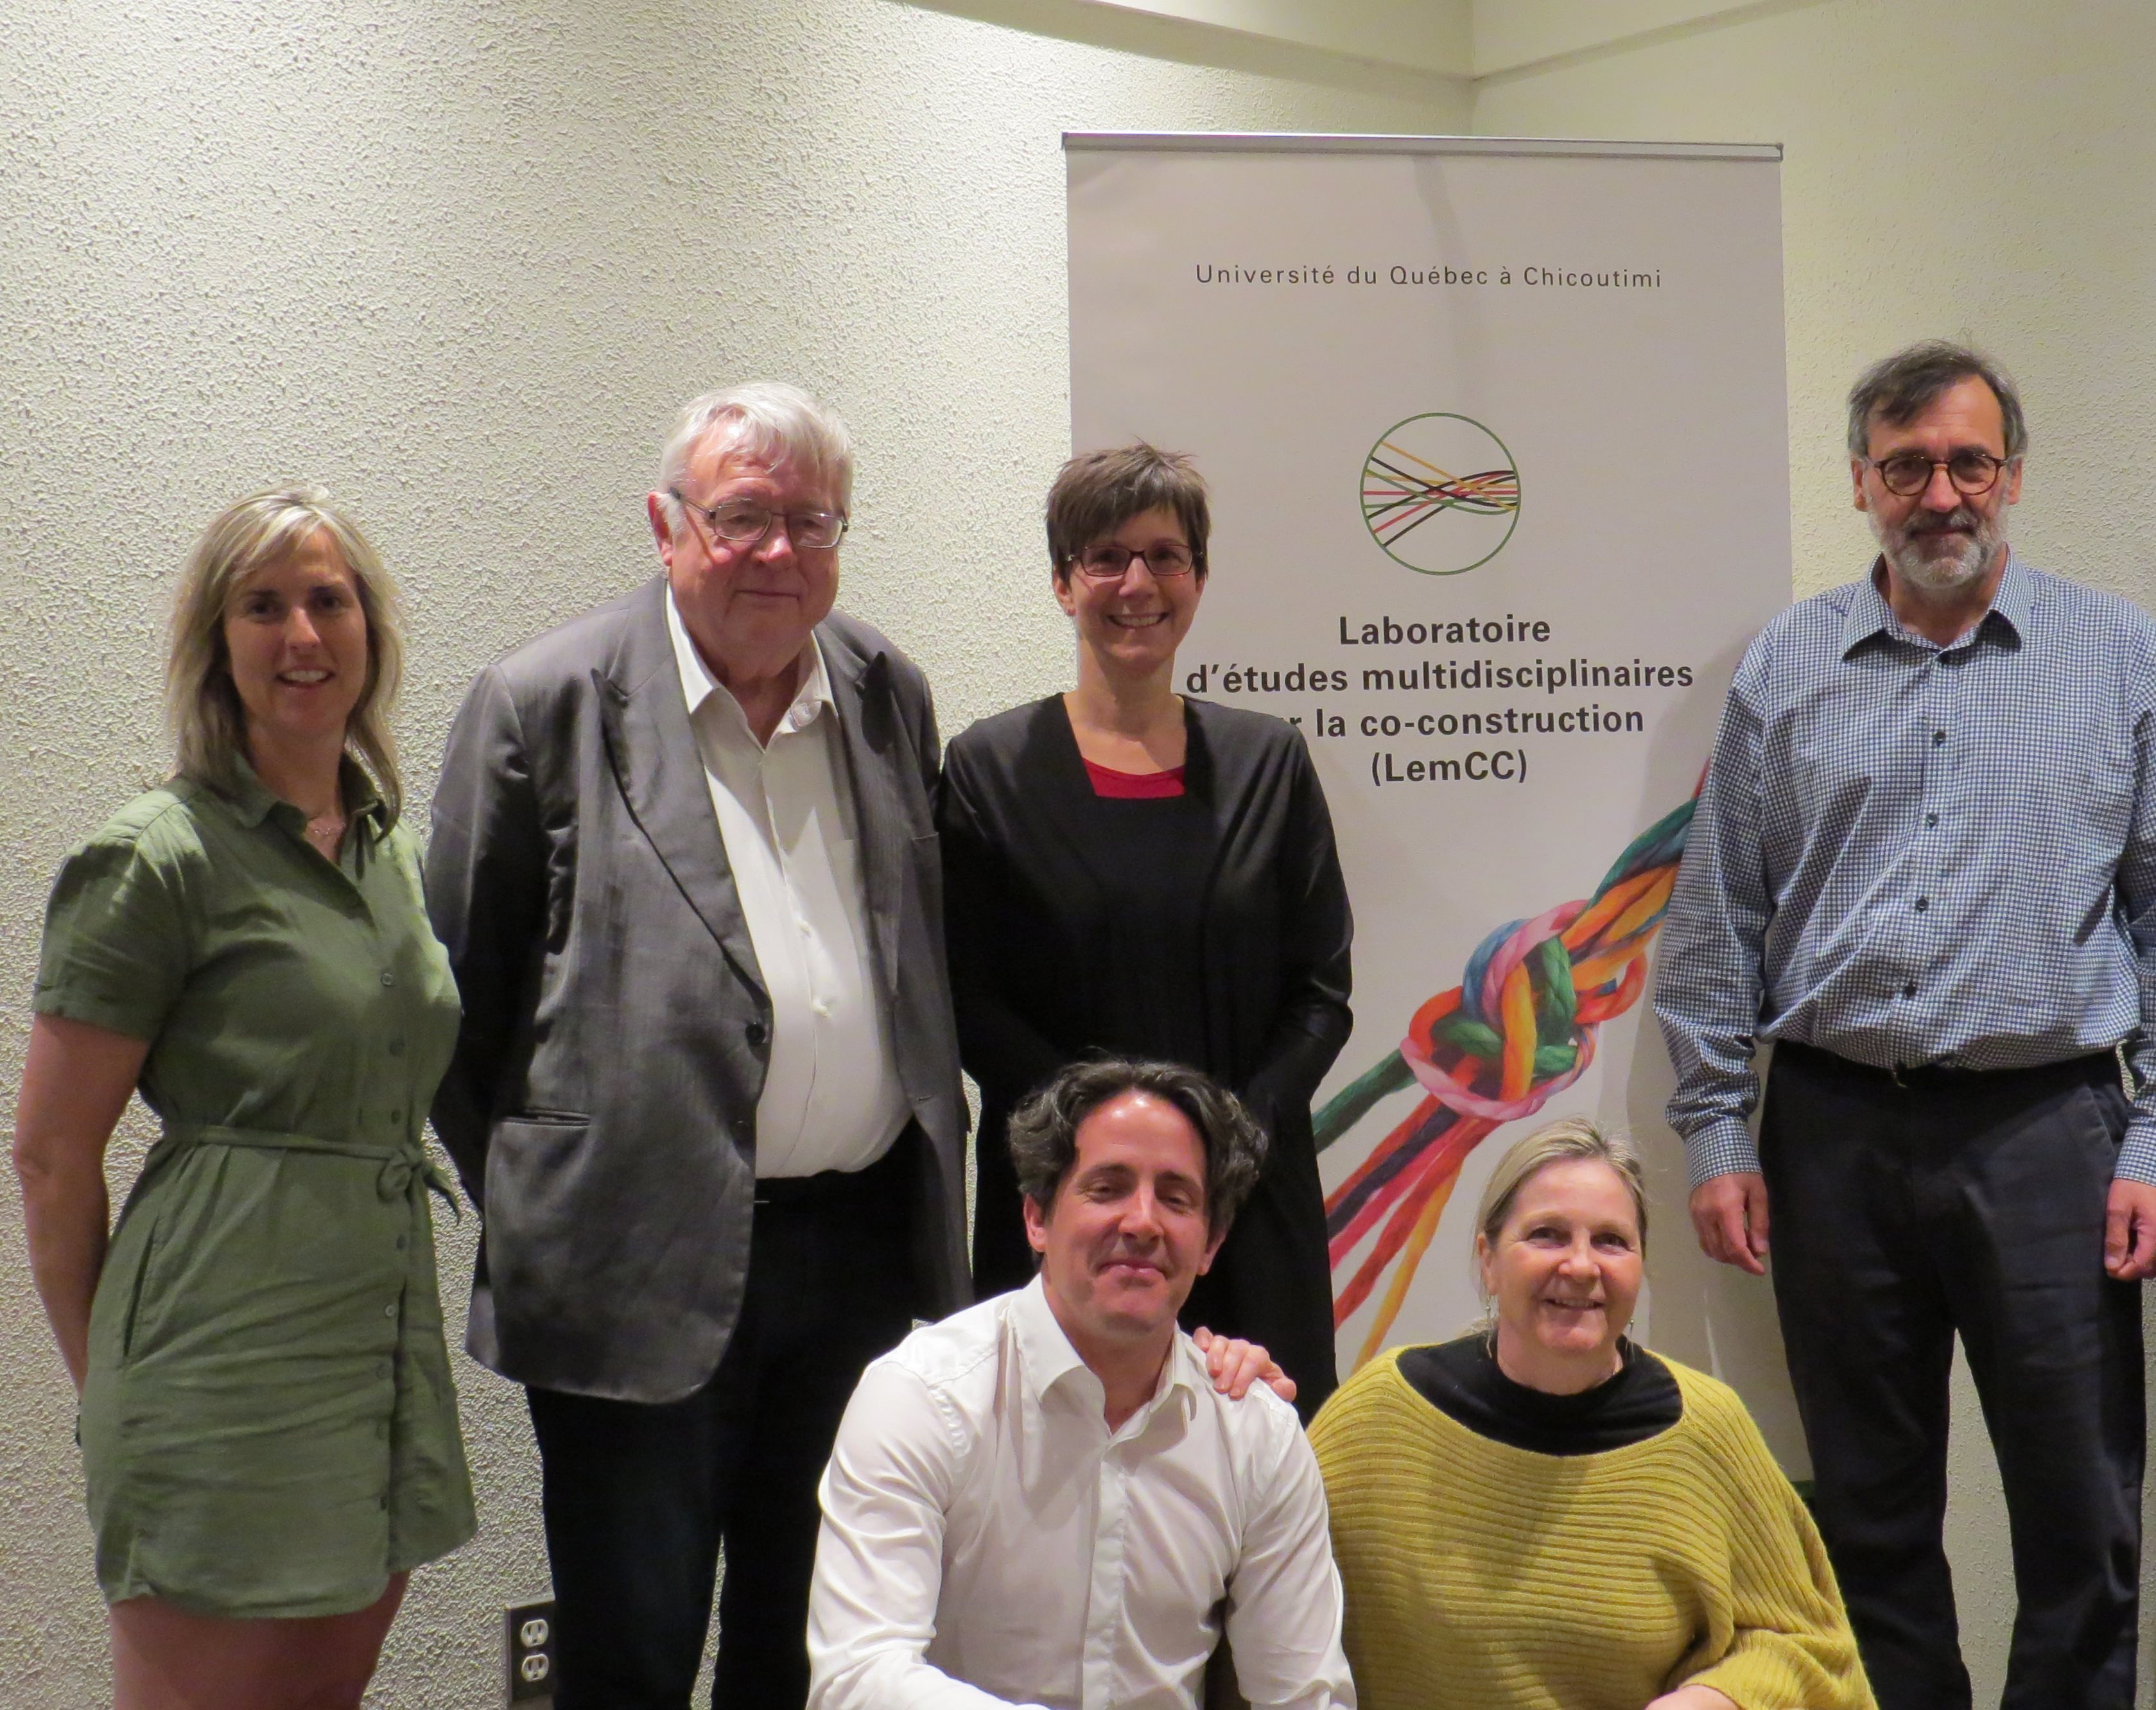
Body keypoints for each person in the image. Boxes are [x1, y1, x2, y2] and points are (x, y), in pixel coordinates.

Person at [1651, 340, 2156, 1709]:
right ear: (1860, 483)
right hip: (1833, 1133)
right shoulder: (1788, 661)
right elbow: (1718, 917)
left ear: (2011, 474)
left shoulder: (2118, 656)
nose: (1940, 494)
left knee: (2081, 1515)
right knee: (1867, 1512)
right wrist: (1717, 1131)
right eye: (1906, 467)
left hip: (2049, 1133)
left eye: (1967, 462)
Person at [423, 383, 969, 1709]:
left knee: (820, 1645)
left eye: (810, 521)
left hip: (858, 1259)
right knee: (633, 1651)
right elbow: (456, 1009)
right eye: (741, 517)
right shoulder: (544, 703)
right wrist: (568, 1187)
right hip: (635, 1257)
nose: (778, 551)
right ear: (666, 526)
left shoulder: (885, 691)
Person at [12, 487, 473, 1709]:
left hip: (375, 1339)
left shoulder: (386, 847)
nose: (302, 635)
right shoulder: (153, 855)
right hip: (217, 1353)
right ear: (216, 642)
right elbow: (51, 1154)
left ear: (370, 627)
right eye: (262, 606)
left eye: (328, 600)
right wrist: (115, 1384)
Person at [938, 444, 1354, 1412]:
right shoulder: (988, 771)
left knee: (1249, 1464)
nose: (1138, 584)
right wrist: (1101, 1152)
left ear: (1198, 579)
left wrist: (1217, 1150)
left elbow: (1320, 994)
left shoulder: (1270, 763)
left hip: (1245, 1203)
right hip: (1064, 1203)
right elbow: (965, 997)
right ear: (1062, 582)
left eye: (1166, 556)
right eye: (1106, 558)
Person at [806, 1057, 1355, 1710]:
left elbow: (1304, 1696)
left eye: (1176, 1198)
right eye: (1108, 1188)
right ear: (1037, 1218)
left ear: (1210, 1243)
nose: (1143, 1222)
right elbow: (857, 1681)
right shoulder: (922, 1396)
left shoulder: (1254, 1430)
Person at [1309, 1119, 1875, 1710]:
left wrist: (1717, 1698)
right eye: (1547, 1235)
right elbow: (1263, 1584)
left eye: (1611, 1241)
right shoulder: (1380, 1417)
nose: (1581, 1266)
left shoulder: (1705, 1429)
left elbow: (1809, 1645)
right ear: (1489, 1260)